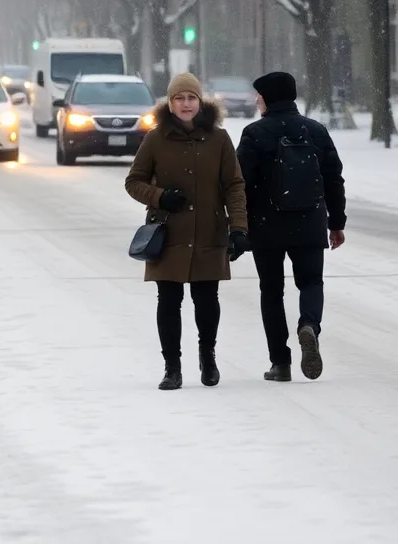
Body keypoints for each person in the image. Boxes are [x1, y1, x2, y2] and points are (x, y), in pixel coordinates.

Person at [125, 73, 249, 391]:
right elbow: (134, 181)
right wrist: (160, 196)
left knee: (207, 300)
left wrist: (238, 228)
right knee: (168, 300)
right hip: (168, 234)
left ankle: (208, 357)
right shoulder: (155, 139)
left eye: (191, 97)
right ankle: (172, 368)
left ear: (200, 101)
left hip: (209, 231)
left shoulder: (219, 139)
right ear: (170, 102)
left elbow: (234, 185)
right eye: (179, 98)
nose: (185, 104)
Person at [236, 72, 345, 383]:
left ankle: (280, 363)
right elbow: (333, 179)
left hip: (266, 226)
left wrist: (238, 225)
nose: (256, 100)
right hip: (310, 222)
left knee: (271, 292)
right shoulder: (316, 131)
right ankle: (308, 325)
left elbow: (238, 183)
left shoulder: (255, 133)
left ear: (269, 98)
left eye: (259, 95)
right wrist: (336, 223)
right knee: (311, 282)